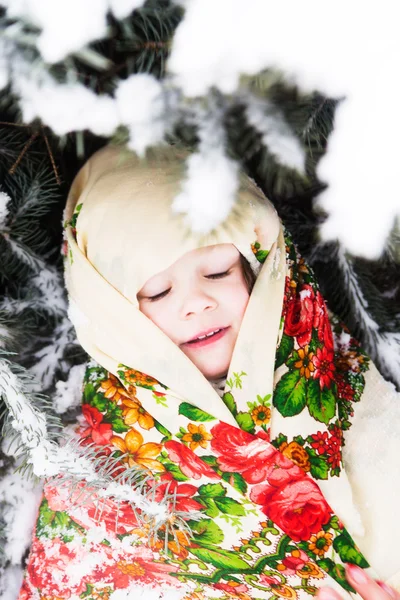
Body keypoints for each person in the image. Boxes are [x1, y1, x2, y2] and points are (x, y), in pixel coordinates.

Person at [17, 145, 400, 599]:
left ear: (261, 268)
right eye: (157, 291)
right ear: (113, 316)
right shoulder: (99, 499)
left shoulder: (369, 392)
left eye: (218, 271)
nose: (196, 302)